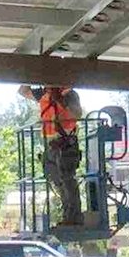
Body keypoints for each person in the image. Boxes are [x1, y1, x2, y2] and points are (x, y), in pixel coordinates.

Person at [19, 84, 84, 225]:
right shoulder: (43, 93)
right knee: (56, 179)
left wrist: (60, 99)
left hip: (66, 143)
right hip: (51, 145)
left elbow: (78, 113)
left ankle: (74, 217)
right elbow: (23, 91)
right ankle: (68, 215)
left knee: (67, 179)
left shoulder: (69, 94)